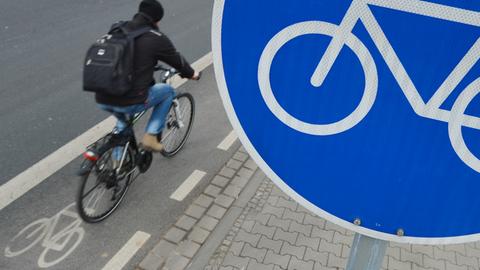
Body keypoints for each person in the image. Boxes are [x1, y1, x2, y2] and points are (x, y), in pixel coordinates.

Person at [96, 0, 200, 152]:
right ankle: (151, 136)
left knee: (122, 121)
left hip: (102, 95)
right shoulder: (156, 38)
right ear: (157, 20)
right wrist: (192, 74)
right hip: (130, 99)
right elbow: (178, 62)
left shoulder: (119, 27)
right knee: (168, 92)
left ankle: (117, 165)